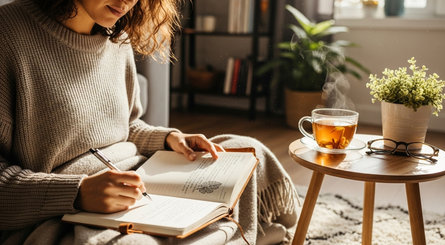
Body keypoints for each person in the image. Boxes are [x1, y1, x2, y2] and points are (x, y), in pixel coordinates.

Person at [0, 0, 300, 244]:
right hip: (62, 207)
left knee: (244, 151)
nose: (129, 1)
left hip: (138, 177)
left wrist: (169, 138)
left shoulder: (115, 36)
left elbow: (127, 127)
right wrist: (76, 193)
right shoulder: (8, 33)